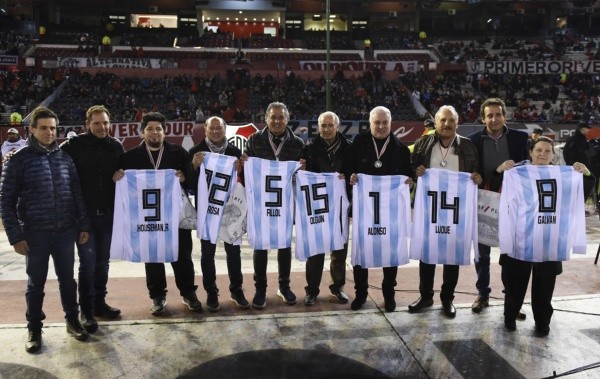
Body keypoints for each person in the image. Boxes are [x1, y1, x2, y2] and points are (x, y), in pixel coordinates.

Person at [0, 107, 91, 353]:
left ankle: (72, 320)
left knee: (67, 281)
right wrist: (15, 236)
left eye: (52, 128)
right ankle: (34, 329)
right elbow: (5, 201)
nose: (49, 132)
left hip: (65, 232)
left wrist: (83, 224)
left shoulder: (64, 158)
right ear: (31, 129)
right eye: (43, 128)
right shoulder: (18, 159)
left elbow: (76, 194)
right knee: (35, 284)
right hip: (35, 233)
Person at [500, 136, 592, 336]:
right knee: (515, 284)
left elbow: (580, 193)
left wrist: (584, 174)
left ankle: (543, 323)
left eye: (547, 151)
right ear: (531, 152)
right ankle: (510, 317)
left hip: (551, 239)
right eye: (538, 150)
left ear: (553, 155)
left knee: (545, 288)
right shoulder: (516, 173)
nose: (542, 154)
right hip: (521, 236)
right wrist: (500, 170)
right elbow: (498, 190)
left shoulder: (564, 175)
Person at [114, 112, 202, 315]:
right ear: (142, 132)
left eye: (158, 129)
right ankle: (157, 295)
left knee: (182, 256)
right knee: (152, 256)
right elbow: (122, 185)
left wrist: (184, 177)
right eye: (150, 129)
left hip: (175, 215)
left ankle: (188, 292)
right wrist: (118, 175)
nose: (155, 133)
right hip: (147, 216)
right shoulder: (130, 157)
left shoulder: (178, 153)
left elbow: (191, 182)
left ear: (164, 131)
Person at [407, 105, 481, 318]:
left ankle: (447, 299)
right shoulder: (422, 143)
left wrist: (476, 177)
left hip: (456, 208)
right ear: (436, 122)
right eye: (442, 120)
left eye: (451, 120)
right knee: (427, 254)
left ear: (457, 123)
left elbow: (476, 172)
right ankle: (426, 296)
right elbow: (410, 169)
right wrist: (416, 171)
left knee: (452, 255)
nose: (447, 124)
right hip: (429, 207)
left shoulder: (467, 146)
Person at [60, 105, 124, 333]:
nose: (102, 127)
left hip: (107, 217)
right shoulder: (73, 146)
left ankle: (99, 304)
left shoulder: (116, 146)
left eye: (105, 123)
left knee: (102, 264)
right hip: (83, 219)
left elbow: (126, 172)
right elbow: (51, 157)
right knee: (87, 265)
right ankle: (85, 311)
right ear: (87, 124)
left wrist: (122, 174)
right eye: (97, 123)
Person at [344, 106, 415, 312]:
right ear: (370, 122)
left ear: (390, 123)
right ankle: (361, 293)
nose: (381, 126)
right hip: (364, 210)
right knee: (361, 251)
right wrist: (351, 176)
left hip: (389, 212)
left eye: (385, 123)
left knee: (390, 252)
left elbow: (408, 174)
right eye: (377, 122)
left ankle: (389, 294)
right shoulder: (358, 143)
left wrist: (409, 180)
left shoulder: (401, 148)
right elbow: (347, 167)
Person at [468, 97, 529, 314]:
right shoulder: (473, 140)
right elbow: (470, 171)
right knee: (482, 255)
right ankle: (482, 294)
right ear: (483, 118)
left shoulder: (520, 139)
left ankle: (510, 299)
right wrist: (480, 175)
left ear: (505, 115)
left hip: (512, 206)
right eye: (490, 115)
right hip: (484, 202)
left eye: (498, 114)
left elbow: (528, 168)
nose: (494, 119)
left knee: (510, 254)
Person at [242, 102, 304, 309]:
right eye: (273, 117)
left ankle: (284, 286)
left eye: (281, 117)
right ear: (266, 118)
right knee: (260, 245)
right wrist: (245, 163)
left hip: (285, 201)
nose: (277, 121)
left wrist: (302, 168)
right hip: (261, 201)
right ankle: (260, 289)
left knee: (284, 244)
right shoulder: (254, 140)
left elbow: (301, 174)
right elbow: (247, 170)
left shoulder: (297, 143)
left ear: (287, 119)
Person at [188, 116, 249, 311]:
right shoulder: (195, 152)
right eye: (211, 128)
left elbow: (244, 183)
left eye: (219, 128)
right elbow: (188, 185)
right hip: (208, 211)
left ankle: (236, 289)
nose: (215, 132)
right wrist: (193, 167)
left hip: (231, 210)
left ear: (225, 130)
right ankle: (211, 292)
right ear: (204, 130)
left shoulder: (235, 152)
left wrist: (242, 170)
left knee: (234, 252)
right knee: (207, 254)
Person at [300, 111, 351, 306]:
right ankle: (312, 290)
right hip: (317, 204)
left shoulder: (348, 148)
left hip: (339, 203)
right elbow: (301, 173)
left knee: (339, 247)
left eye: (331, 125)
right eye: (323, 125)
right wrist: (302, 170)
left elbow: (354, 171)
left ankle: (337, 287)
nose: (327, 129)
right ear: (318, 127)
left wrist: (349, 177)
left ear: (337, 126)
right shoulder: (309, 148)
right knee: (316, 247)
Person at [563, 122, 594, 199]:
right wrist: (572, 165)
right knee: (575, 191)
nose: (588, 130)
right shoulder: (572, 140)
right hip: (575, 170)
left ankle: (581, 207)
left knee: (583, 190)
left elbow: (588, 155)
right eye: (587, 128)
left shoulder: (584, 141)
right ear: (582, 129)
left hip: (583, 169)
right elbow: (566, 154)